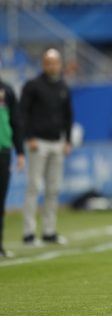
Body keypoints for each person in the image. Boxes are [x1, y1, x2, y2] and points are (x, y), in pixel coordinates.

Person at [20, 48, 73, 245]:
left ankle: (49, 231)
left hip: (57, 142)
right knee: (34, 187)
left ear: (60, 64)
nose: (52, 66)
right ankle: (29, 233)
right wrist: (29, 136)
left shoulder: (63, 86)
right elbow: (23, 113)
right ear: (43, 64)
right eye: (48, 62)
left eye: (55, 62)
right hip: (38, 142)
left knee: (54, 188)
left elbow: (68, 115)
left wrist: (67, 140)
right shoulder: (33, 86)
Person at [0, 74, 25, 257]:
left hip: (4, 150)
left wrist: (20, 152)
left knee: (0, 200)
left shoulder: (7, 90)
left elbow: (16, 122)